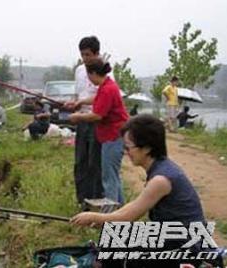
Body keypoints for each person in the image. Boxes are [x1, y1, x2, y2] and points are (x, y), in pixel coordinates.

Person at [70, 114, 208, 267]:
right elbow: (135, 206)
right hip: (172, 236)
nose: (126, 152)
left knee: (117, 245)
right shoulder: (160, 168)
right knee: (113, 235)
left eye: (129, 147)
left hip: (186, 247)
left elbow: (128, 217)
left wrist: (94, 216)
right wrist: (104, 219)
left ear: (147, 148)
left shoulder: (161, 180)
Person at [69, 58, 129, 203]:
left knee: (108, 178)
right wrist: (81, 102)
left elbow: (97, 115)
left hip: (113, 137)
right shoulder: (106, 85)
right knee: (113, 177)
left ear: (93, 74)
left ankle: (110, 218)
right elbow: (96, 99)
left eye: (88, 76)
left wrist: (78, 116)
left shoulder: (108, 89)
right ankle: (121, 213)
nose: (89, 81)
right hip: (112, 137)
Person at [64, 36, 103, 207]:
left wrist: (81, 105)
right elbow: (78, 93)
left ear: (96, 54)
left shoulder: (105, 70)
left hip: (96, 121)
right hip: (81, 120)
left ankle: (96, 201)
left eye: (88, 55)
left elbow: (105, 96)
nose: (85, 59)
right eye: (82, 55)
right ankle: (82, 201)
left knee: (95, 162)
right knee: (81, 161)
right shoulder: (79, 71)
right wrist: (74, 104)